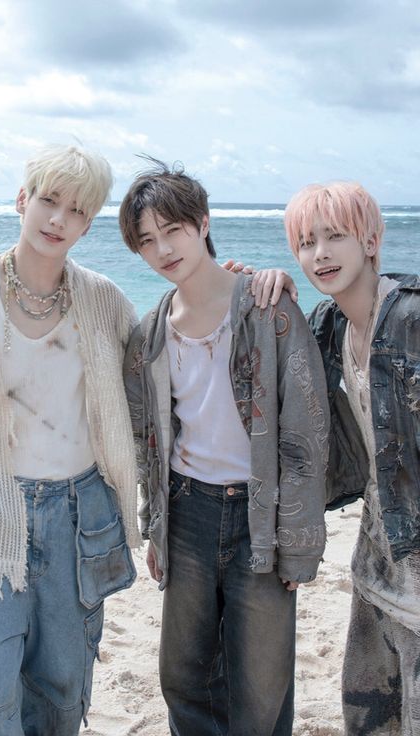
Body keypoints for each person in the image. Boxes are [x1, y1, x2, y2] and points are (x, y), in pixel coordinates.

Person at [0, 144, 140, 735]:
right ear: (23, 200)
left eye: (76, 210)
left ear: (89, 224)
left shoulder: (105, 299)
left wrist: (234, 282)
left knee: (62, 686)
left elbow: (162, 366)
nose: (58, 218)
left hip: (80, 514)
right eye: (48, 200)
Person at [120, 160, 329, 735]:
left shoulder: (268, 307)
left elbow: (306, 433)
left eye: (173, 230)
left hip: (258, 518)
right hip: (187, 512)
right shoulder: (151, 331)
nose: (162, 248)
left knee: (260, 689)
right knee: (184, 677)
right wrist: (155, 523)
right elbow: (150, 441)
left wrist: (300, 538)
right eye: (146, 240)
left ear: (203, 222)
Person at [277, 181, 420, 735]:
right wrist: (250, 284)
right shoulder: (331, 325)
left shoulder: (410, 316)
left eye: (335, 236)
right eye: (306, 242)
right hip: (377, 557)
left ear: (371, 240)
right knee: (369, 714)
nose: (320, 254)